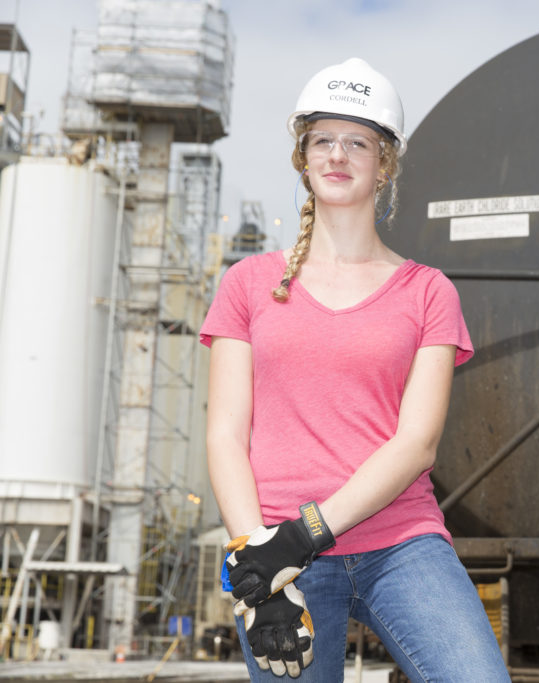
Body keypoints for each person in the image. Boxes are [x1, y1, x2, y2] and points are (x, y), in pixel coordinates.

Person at [200, 57, 510, 682]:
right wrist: (257, 565)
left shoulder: (427, 291)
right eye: (323, 139)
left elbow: (416, 444)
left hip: (401, 543)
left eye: (358, 141)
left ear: (385, 162)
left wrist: (305, 535)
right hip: (277, 552)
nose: (337, 155)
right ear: (303, 155)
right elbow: (226, 434)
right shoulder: (248, 283)